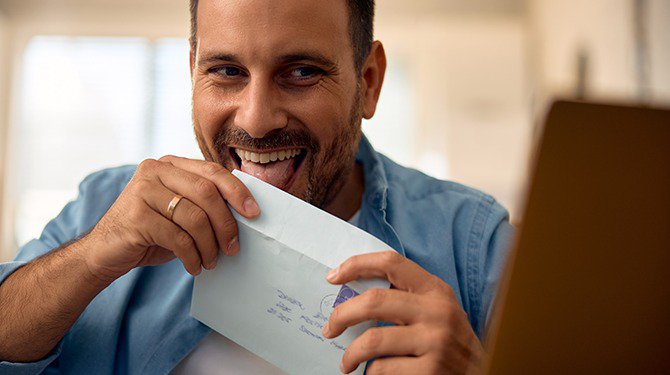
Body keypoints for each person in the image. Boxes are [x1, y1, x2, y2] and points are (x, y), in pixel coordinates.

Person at [0, 0, 513, 373]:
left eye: (302, 72)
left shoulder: (472, 243)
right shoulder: (104, 205)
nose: (257, 118)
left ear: (369, 82)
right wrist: (90, 258)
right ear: (192, 70)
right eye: (226, 71)